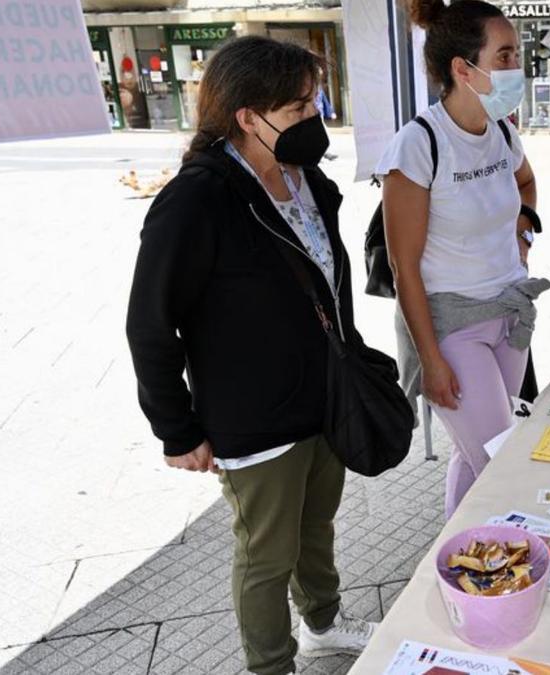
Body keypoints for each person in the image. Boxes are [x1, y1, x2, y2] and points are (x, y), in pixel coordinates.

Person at [125, 36, 374, 675]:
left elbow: (325, 282)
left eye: (314, 103)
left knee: (316, 528)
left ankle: (322, 624)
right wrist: (176, 429)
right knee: (267, 555)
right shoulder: (196, 200)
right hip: (254, 417)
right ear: (247, 117)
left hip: (324, 399)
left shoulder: (307, 180)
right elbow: (150, 324)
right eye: (298, 108)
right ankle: (270, 666)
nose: (313, 119)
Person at [378, 0, 550, 519]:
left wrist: (522, 234)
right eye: (504, 56)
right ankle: (494, 566)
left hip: (510, 313)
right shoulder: (420, 144)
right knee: (501, 461)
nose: (516, 67)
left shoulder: (501, 130)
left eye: (516, 54)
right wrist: (431, 361)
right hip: (454, 323)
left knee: (476, 452)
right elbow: (403, 268)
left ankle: (450, 561)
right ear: (462, 69)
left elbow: (526, 181)